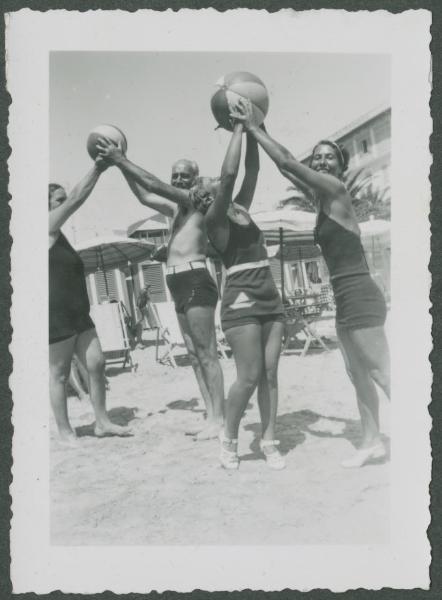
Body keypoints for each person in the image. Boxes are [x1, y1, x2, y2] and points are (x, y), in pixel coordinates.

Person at [232, 98, 390, 468]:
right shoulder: (320, 201)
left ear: (340, 166)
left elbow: (288, 163)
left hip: (361, 294)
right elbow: (289, 172)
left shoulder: (335, 190)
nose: (320, 161)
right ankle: (371, 442)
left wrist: (253, 126)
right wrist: (259, 129)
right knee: (357, 375)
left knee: (383, 372)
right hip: (345, 296)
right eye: (316, 157)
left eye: (328, 157)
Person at [95, 140, 224, 440]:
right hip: (177, 282)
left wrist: (121, 158)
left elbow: (152, 182)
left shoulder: (196, 201)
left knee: (207, 353)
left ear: (195, 179)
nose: (179, 180)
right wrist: (120, 163)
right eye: (175, 175)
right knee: (193, 354)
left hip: (195, 279)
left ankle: (218, 419)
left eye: (185, 175)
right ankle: (210, 414)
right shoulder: (175, 209)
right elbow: (143, 193)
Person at [193, 122, 285, 470]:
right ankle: (229, 437)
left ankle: (269, 439)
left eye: (210, 185)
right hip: (240, 300)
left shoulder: (240, 209)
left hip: (269, 296)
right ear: (206, 201)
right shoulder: (214, 219)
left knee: (271, 374)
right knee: (248, 376)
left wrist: (255, 128)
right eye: (207, 191)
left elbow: (252, 168)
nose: (212, 188)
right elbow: (230, 174)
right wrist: (236, 129)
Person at [49, 163, 131, 445]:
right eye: (57, 201)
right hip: (56, 315)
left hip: (79, 314)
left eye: (61, 200)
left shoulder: (60, 237)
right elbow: (75, 199)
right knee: (59, 374)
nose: (64, 205)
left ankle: (102, 421)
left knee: (96, 363)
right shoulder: (44, 228)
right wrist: (98, 168)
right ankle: (64, 431)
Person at [134, 284, 152, 348]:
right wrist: (148, 297)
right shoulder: (144, 291)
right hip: (142, 306)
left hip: (140, 305)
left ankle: (137, 324)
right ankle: (151, 327)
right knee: (147, 316)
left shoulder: (142, 290)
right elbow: (146, 298)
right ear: (147, 287)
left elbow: (139, 298)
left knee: (143, 317)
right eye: (148, 287)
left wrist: (136, 306)